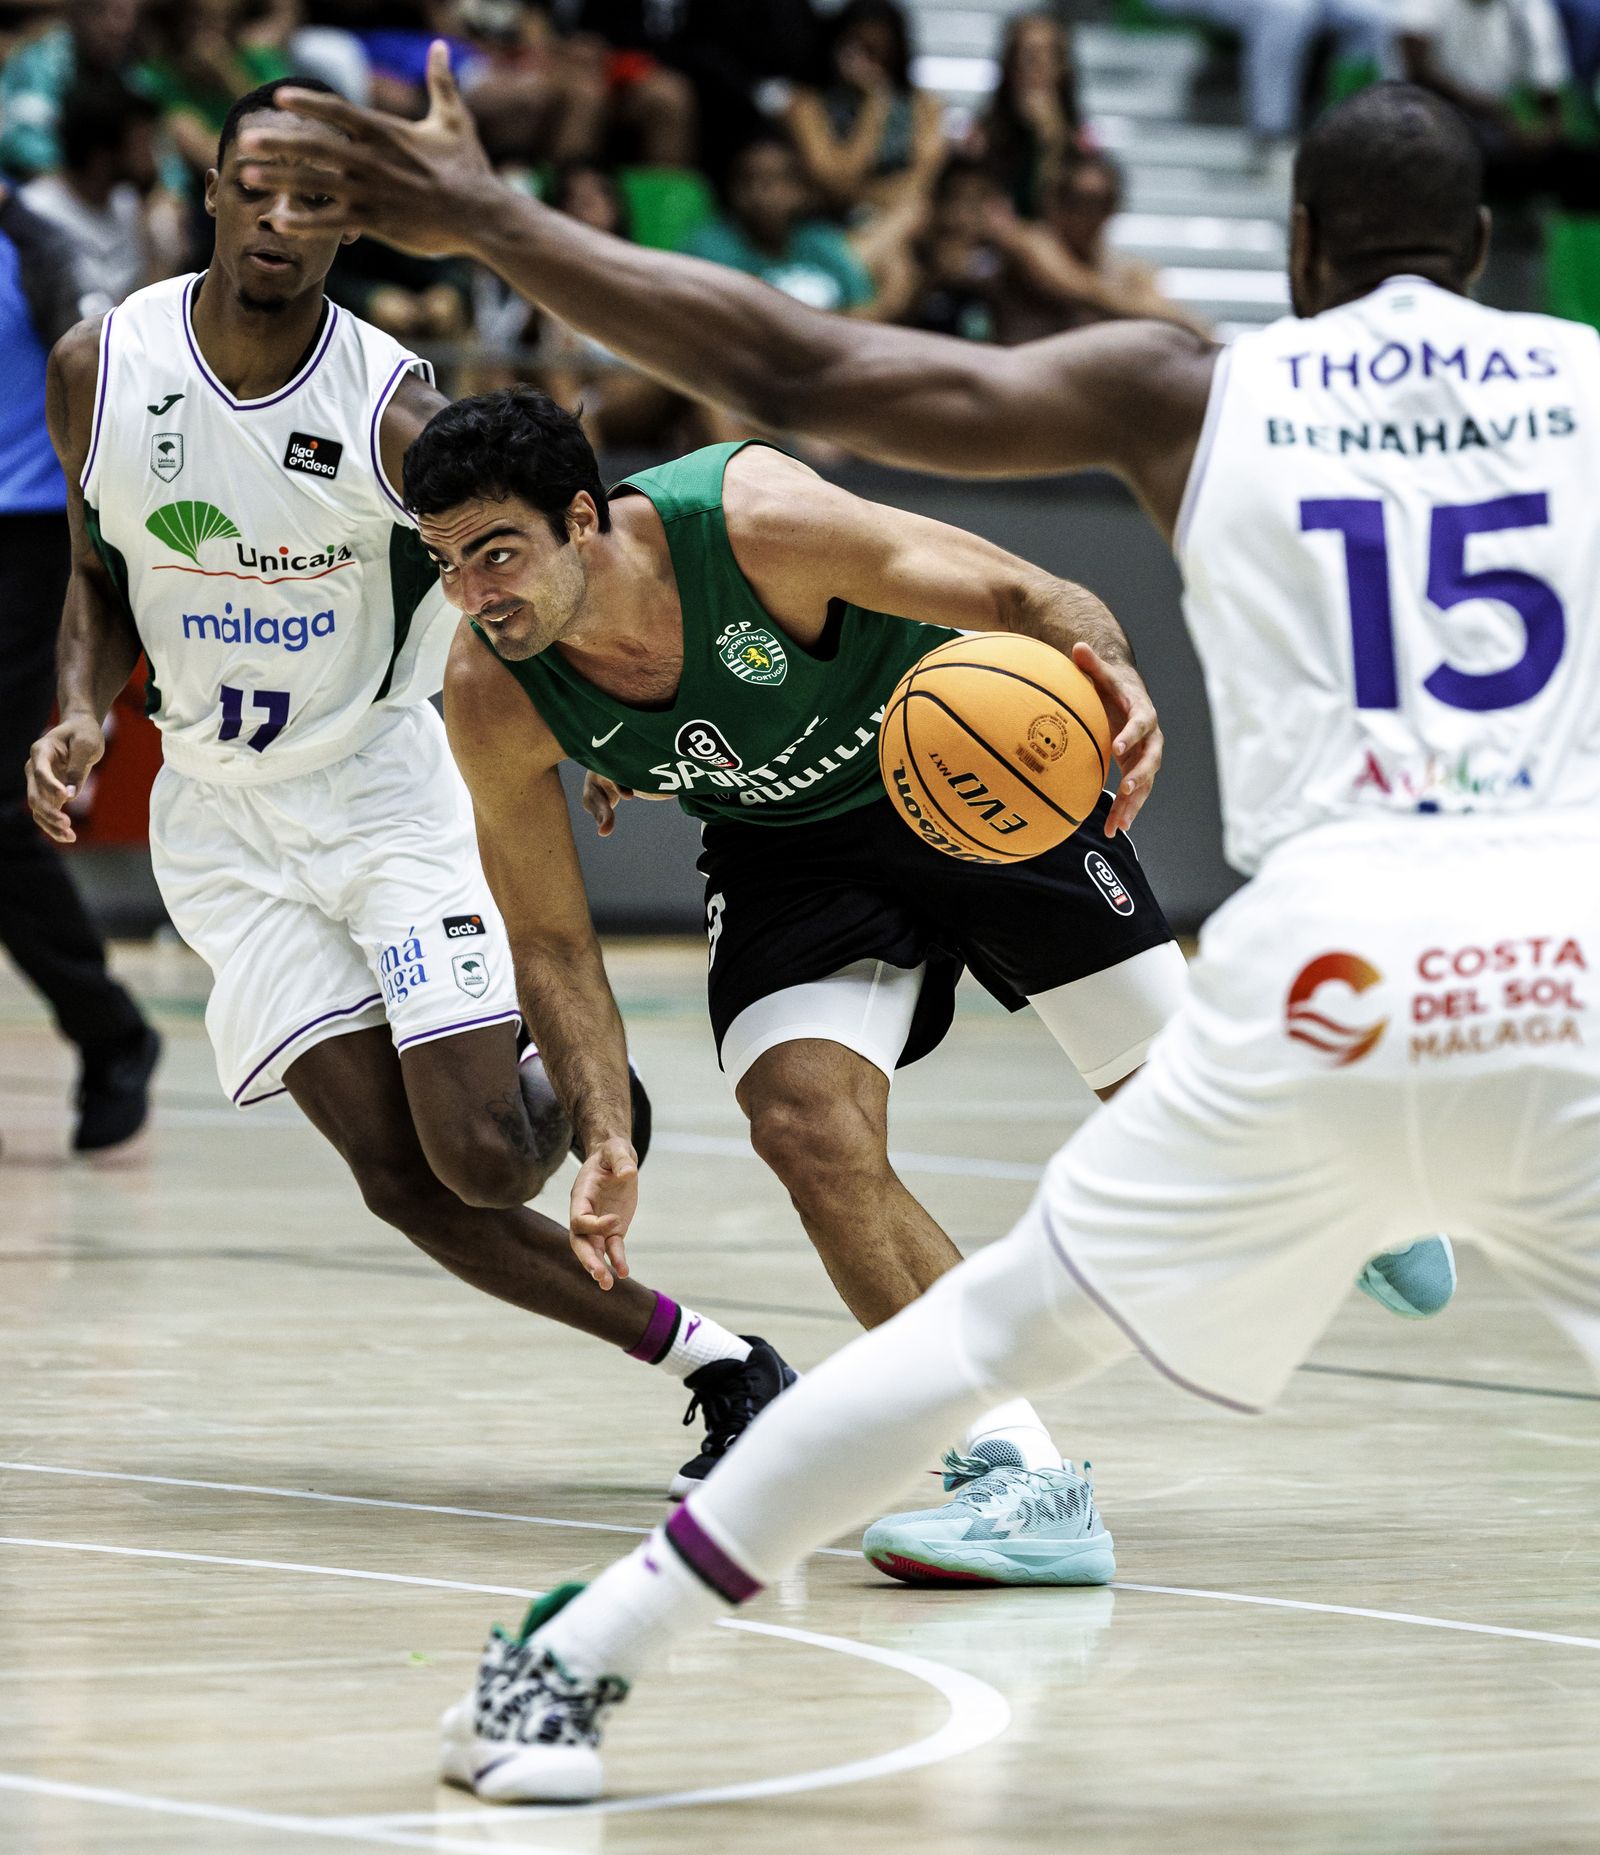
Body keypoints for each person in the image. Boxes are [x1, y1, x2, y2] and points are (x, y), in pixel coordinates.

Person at [256, 78, 1600, 1800]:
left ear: (1297, 251)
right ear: (1493, 251)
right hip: (1545, 970)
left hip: (1320, 990)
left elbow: (815, 376)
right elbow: (557, 938)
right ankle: (1215, 1336)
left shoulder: (1201, 384)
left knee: (974, 1343)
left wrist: (503, 223)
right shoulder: (1578, 381)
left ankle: (574, 1673)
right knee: (830, 1149)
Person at [23, 77, 795, 1498]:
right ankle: (723, 1365)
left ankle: (582, 1077)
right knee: (397, 1178)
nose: (282, 213)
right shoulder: (98, 366)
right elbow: (96, 568)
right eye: (259, 181)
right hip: (220, 825)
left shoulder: (392, 413)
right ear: (211, 185)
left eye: (319, 193)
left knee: (489, 1160)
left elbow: (542, 551)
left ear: (355, 220)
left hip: (384, 792)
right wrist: (79, 710)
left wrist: (593, 712)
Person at [405, 391, 1178, 1592]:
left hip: (958, 758)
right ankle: (1017, 1474)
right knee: (802, 1125)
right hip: (788, 849)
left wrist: (1114, 677)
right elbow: (551, 940)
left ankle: (1346, 1178)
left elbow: (1027, 597)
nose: (473, 591)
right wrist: (604, 1128)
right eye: (445, 562)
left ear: (581, 519)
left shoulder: (754, 521)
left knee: (1181, 1114)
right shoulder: (495, 687)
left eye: (495, 553)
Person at [0, 177, 160, 1152]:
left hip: (20, 543)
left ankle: (112, 1031)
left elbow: (108, 380)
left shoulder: (38, 246)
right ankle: (109, 1029)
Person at [684, 134, 876, 316]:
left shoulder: (822, 241)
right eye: (748, 181)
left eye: (774, 181)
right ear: (731, 191)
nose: (760, 195)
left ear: (801, 191)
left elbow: (864, 305)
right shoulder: (707, 250)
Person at [785, 0, 945, 218]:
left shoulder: (923, 105)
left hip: (900, 218)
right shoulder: (807, 103)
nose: (871, 63)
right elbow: (832, 183)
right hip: (830, 220)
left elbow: (921, 183)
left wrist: (862, 195)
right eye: (862, 49)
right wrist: (873, 107)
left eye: (880, 51)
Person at [21, 75, 165, 314]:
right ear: (101, 158)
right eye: (142, 145)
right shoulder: (37, 216)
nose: (154, 158)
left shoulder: (127, 203)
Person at [972, 9, 1090, 219]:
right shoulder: (982, 134)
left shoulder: (1080, 139)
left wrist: (1051, 143)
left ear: (1062, 66)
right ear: (1009, 64)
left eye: (1044, 53)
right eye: (1023, 53)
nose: (1033, 64)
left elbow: (1066, 213)